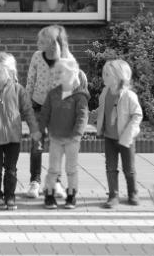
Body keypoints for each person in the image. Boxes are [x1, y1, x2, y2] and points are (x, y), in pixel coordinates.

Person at [0, 52, 41, 210]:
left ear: (10, 72)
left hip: (13, 138)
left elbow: (28, 111)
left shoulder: (19, 91)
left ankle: (10, 196)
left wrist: (34, 130)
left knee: (11, 169)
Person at [34, 57, 90, 210]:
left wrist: (77, 134)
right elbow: (45, 113)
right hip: (56, 138)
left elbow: (83, 116)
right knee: (53, 169)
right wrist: (41, 130)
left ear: (72, 73)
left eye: (61, 72)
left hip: (72, 139)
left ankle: (71, 195)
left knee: (71, 169)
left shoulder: (80, 96)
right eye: (56, 72)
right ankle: (49, 194)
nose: (57, 74)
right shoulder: (53, 94)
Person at [25, 25, 71, 199]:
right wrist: (26, 104)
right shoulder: (36, 57)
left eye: (42, 41)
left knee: (56, 146)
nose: (38, 43)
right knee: (36, 145)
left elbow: (71, 84)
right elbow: (30, 81)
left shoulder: (66, 59)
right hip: (37, 107)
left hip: (57, 110)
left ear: (53, 43)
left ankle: (55, 182)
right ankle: (34, 182)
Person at [94, 59, 143, 208]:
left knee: (129, 168)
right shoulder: (105, 93)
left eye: (107, 74)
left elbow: (137, 115)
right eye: (104, 73)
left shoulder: (129, 96)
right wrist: (93, 118)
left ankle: (132, 192)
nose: (104, 76)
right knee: (110, 167)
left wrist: (129, 134)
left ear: (118, 76)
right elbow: (102, 110)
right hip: (109, 137)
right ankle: (113, 195)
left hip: (125, 138)